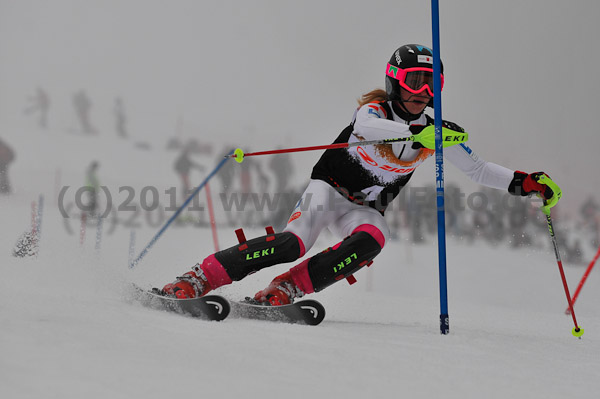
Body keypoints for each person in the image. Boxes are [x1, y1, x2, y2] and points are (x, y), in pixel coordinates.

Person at [160, 44, 562, 305]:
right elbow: (367, 130)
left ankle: (287, 288)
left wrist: (523, 183)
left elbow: (477, 168)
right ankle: (200, 277)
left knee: (374, 239)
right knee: (292, 243)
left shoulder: (437, 130)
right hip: (328, 190)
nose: (422, 92)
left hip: (365, 208)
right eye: (414, 81)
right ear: (394, 80)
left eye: (431, 84)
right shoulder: (375, 112)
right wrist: (418, 132)